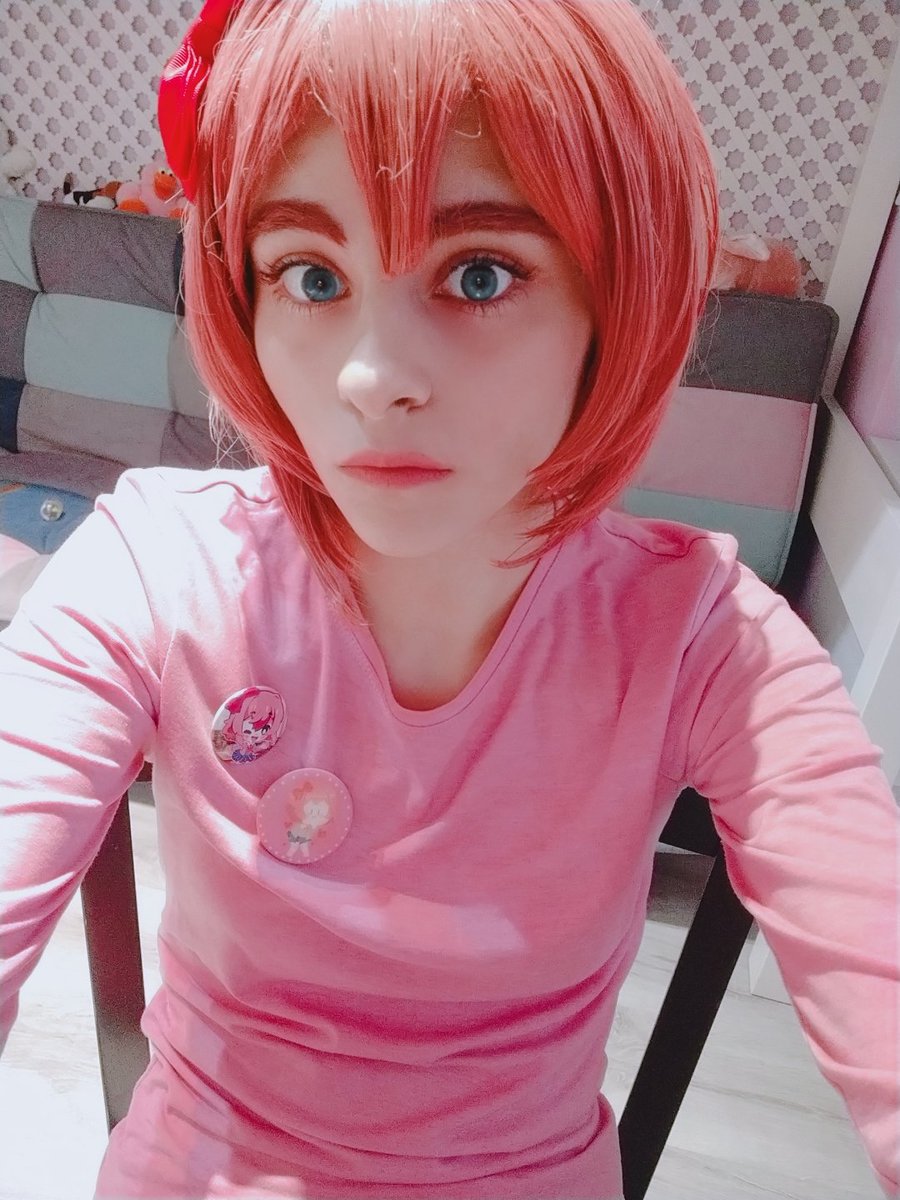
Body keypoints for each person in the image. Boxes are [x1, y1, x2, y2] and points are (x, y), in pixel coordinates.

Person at [0, 0, 898, 1196]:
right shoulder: (154, 568)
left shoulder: (703, 640)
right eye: (310, 275)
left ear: (612, 303)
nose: (373, 379)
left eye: (480, 275)